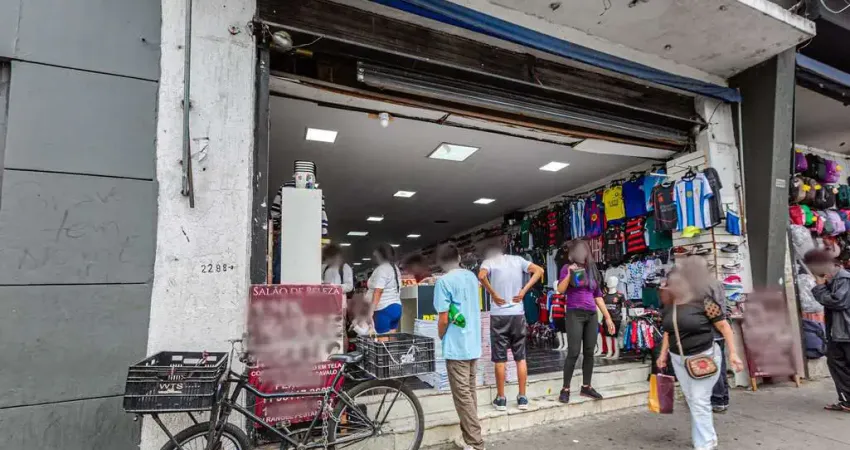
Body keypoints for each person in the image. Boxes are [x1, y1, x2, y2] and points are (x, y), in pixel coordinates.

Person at [656, 258, 743, 450]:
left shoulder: (703, 301)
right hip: (678, 358)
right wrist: (663, 355)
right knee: (692, 398)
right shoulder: (669, 306)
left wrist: (733, 353)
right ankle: (705, 438)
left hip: (704, 355)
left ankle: (705, 443)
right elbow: (669, 332)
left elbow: (724, 326)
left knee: (698, 399)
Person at [478, 242, 544, 411]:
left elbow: (481, 276)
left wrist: (493, 293)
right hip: (517, 314)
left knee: (500, 359)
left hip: (499, 315)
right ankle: (522, 397)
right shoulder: (518, 260)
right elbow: (539, 271)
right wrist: (523, 291)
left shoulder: (489, 262)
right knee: (520, 357)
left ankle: (501, 399)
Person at [434, 243, 484, 450]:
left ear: (441, 261)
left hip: (456, 346)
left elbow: (443, 318)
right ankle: (469, 439)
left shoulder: (443, 282)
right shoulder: (471, 277)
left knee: (462, 396)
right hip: (473, 343)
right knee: (469, 393)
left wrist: (440, 334)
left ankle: (475, 442)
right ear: (459, 258)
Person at [556, 240, 615, 403]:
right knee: (574, 352)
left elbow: (598, 296)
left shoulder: (592, 270)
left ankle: (586, 387)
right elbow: (560, 290)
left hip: (591, 315)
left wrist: (608, 317)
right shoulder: (567, 267)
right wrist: (569, 274)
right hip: (574, 313)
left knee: (589, 351)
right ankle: (565, 389)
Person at [805, 249, 850, 412]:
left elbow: (838, 302)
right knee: (837, 365)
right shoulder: (834, 279)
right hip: (838, 333)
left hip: (845, 333)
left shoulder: (843, 279)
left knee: (840, 365)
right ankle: (846, 400)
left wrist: (819, 287)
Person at [367, 243, 403, 334]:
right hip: (396, 307)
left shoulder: (382, 269)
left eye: (376, 255)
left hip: (383, 309)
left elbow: (378, 291)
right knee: (391, 339)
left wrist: (371, 311)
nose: (374, 257)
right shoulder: (395, 268)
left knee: (382, 340)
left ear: (380, 255)